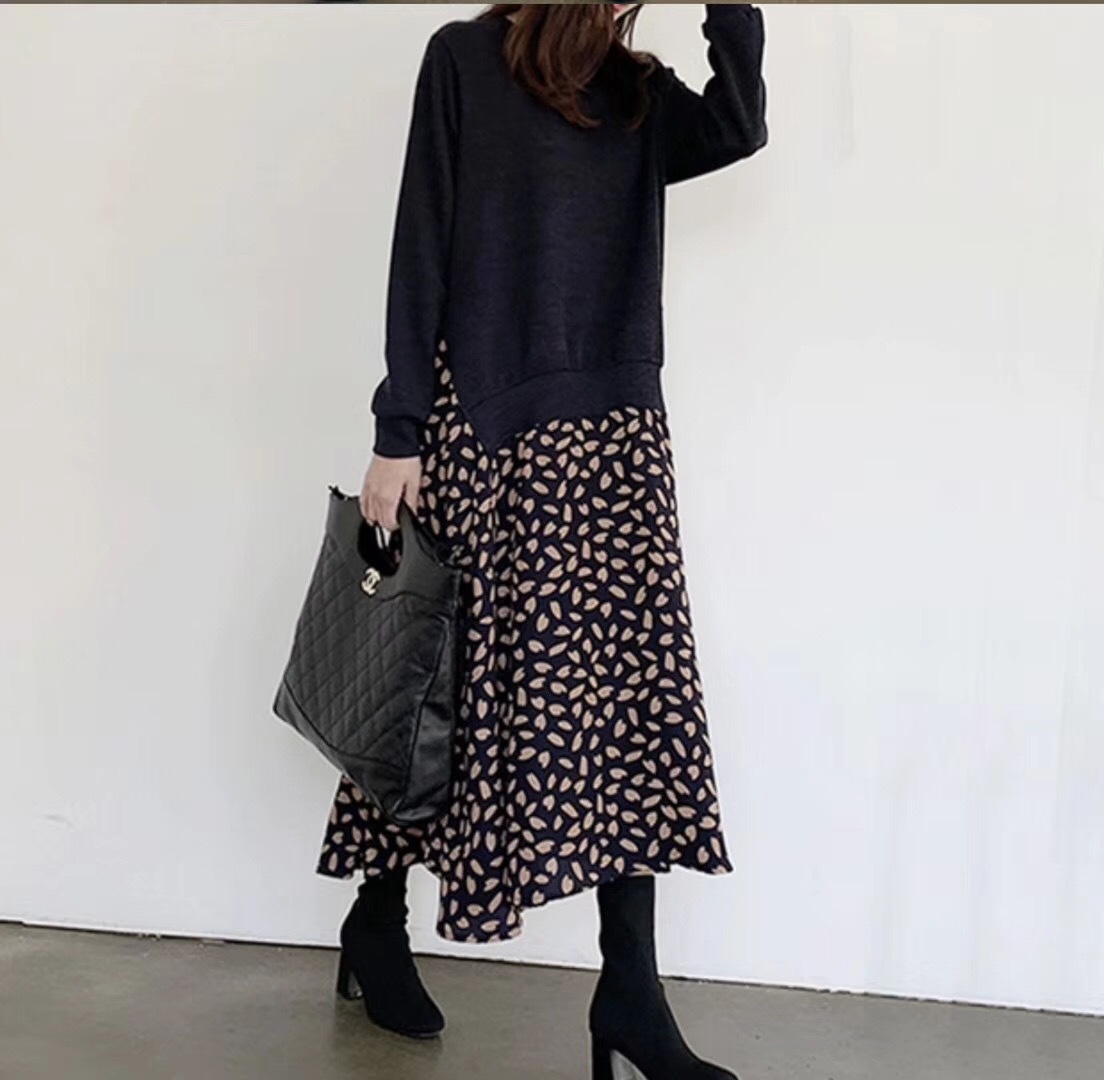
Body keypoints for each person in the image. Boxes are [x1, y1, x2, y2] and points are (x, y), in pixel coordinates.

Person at [316, 5, 767, 1077]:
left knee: (627, 698)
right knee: (431, 686)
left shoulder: (638, 92)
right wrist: (398, 431)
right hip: (483, 422)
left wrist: (733, 13)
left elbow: (738, 126)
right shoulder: (463, 60)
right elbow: (420, 242)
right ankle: (377, 918)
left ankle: (631, 992)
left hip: (611, 431)